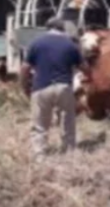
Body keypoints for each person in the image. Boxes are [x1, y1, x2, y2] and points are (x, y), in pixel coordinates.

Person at [20, 17, 85, 162]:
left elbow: (25, 68)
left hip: (41, 87)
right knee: (68, 121)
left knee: (40, 124)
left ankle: (39, 155)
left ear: (47, 28)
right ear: (62, 28)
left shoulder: (36, 43)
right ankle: (69, 151)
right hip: (64, 86)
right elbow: (84, 67)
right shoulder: (70, 44)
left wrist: (25, 87)